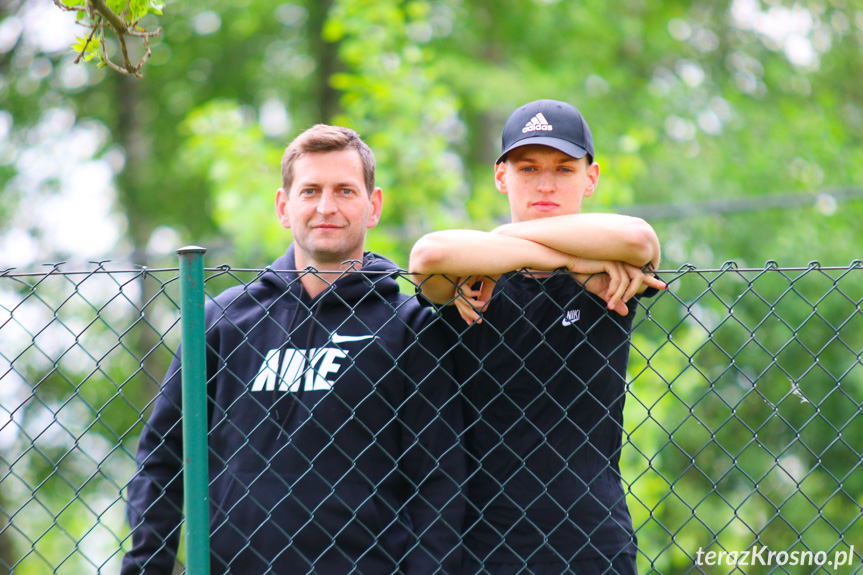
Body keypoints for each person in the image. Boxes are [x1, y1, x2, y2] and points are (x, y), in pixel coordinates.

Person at [122, 124, 465, 574]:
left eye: (345, 190)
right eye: (310, 191)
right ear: (284, 207)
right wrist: (146, 566)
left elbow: (440, 482)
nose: (327, 207)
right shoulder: (221, 322)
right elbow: (163, 460)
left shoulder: (411, 326)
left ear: (373, 205)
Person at [410, 99, 665, 574]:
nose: (545, 184)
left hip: (591, 545)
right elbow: (427, 254)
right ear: (501, 176)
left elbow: (639, 241)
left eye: (564, 169)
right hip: (482, 548)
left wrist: (510, 240)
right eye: (528, 168)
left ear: (591, 178)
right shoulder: (468, 277)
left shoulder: (608, 273)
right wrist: (568, 257)